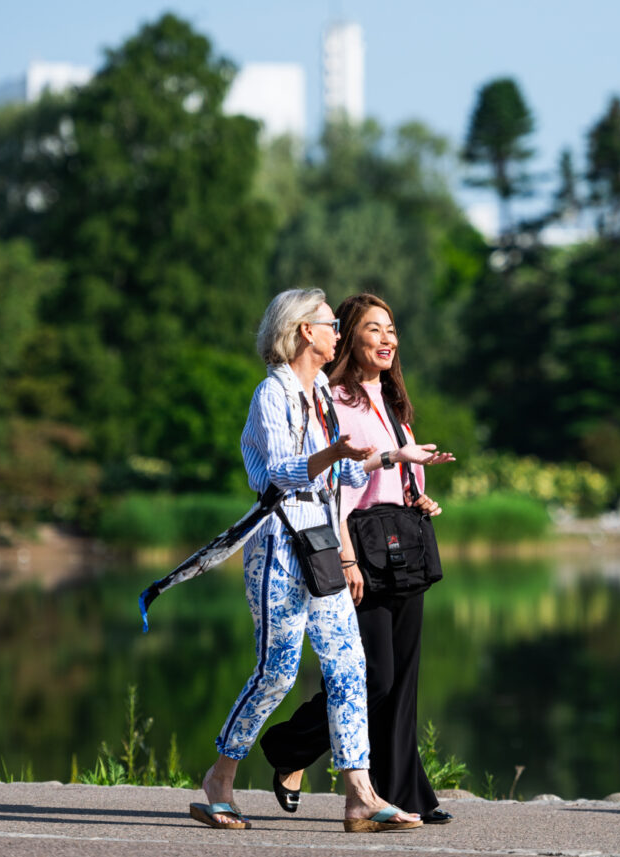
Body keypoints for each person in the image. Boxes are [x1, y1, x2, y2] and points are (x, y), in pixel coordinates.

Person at [194, 288, 448, 833]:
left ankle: (359, 796)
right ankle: (220, 778)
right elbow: (283, 474)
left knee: (352, 668)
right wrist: (334, 454)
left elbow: (342, 479)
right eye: (332, 324)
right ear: (305, 331)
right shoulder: (272, 394)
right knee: (277, 674)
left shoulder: (322, 400)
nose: (339, 332)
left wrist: (389, 458)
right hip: (278, 548)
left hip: (322, 546)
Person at [260, 292, 457, 825]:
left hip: (404, 547)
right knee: (372, 678)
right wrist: (345, 557)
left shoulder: (394, 402)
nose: (388, 339)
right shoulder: (337, 399)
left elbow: (390, 476)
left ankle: (405, 795)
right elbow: (338, 487)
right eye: (375, 329)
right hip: (361, 552)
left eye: (392, 329)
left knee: (403, 680)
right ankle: (288, 747)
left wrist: (418, 494)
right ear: (348, 336)